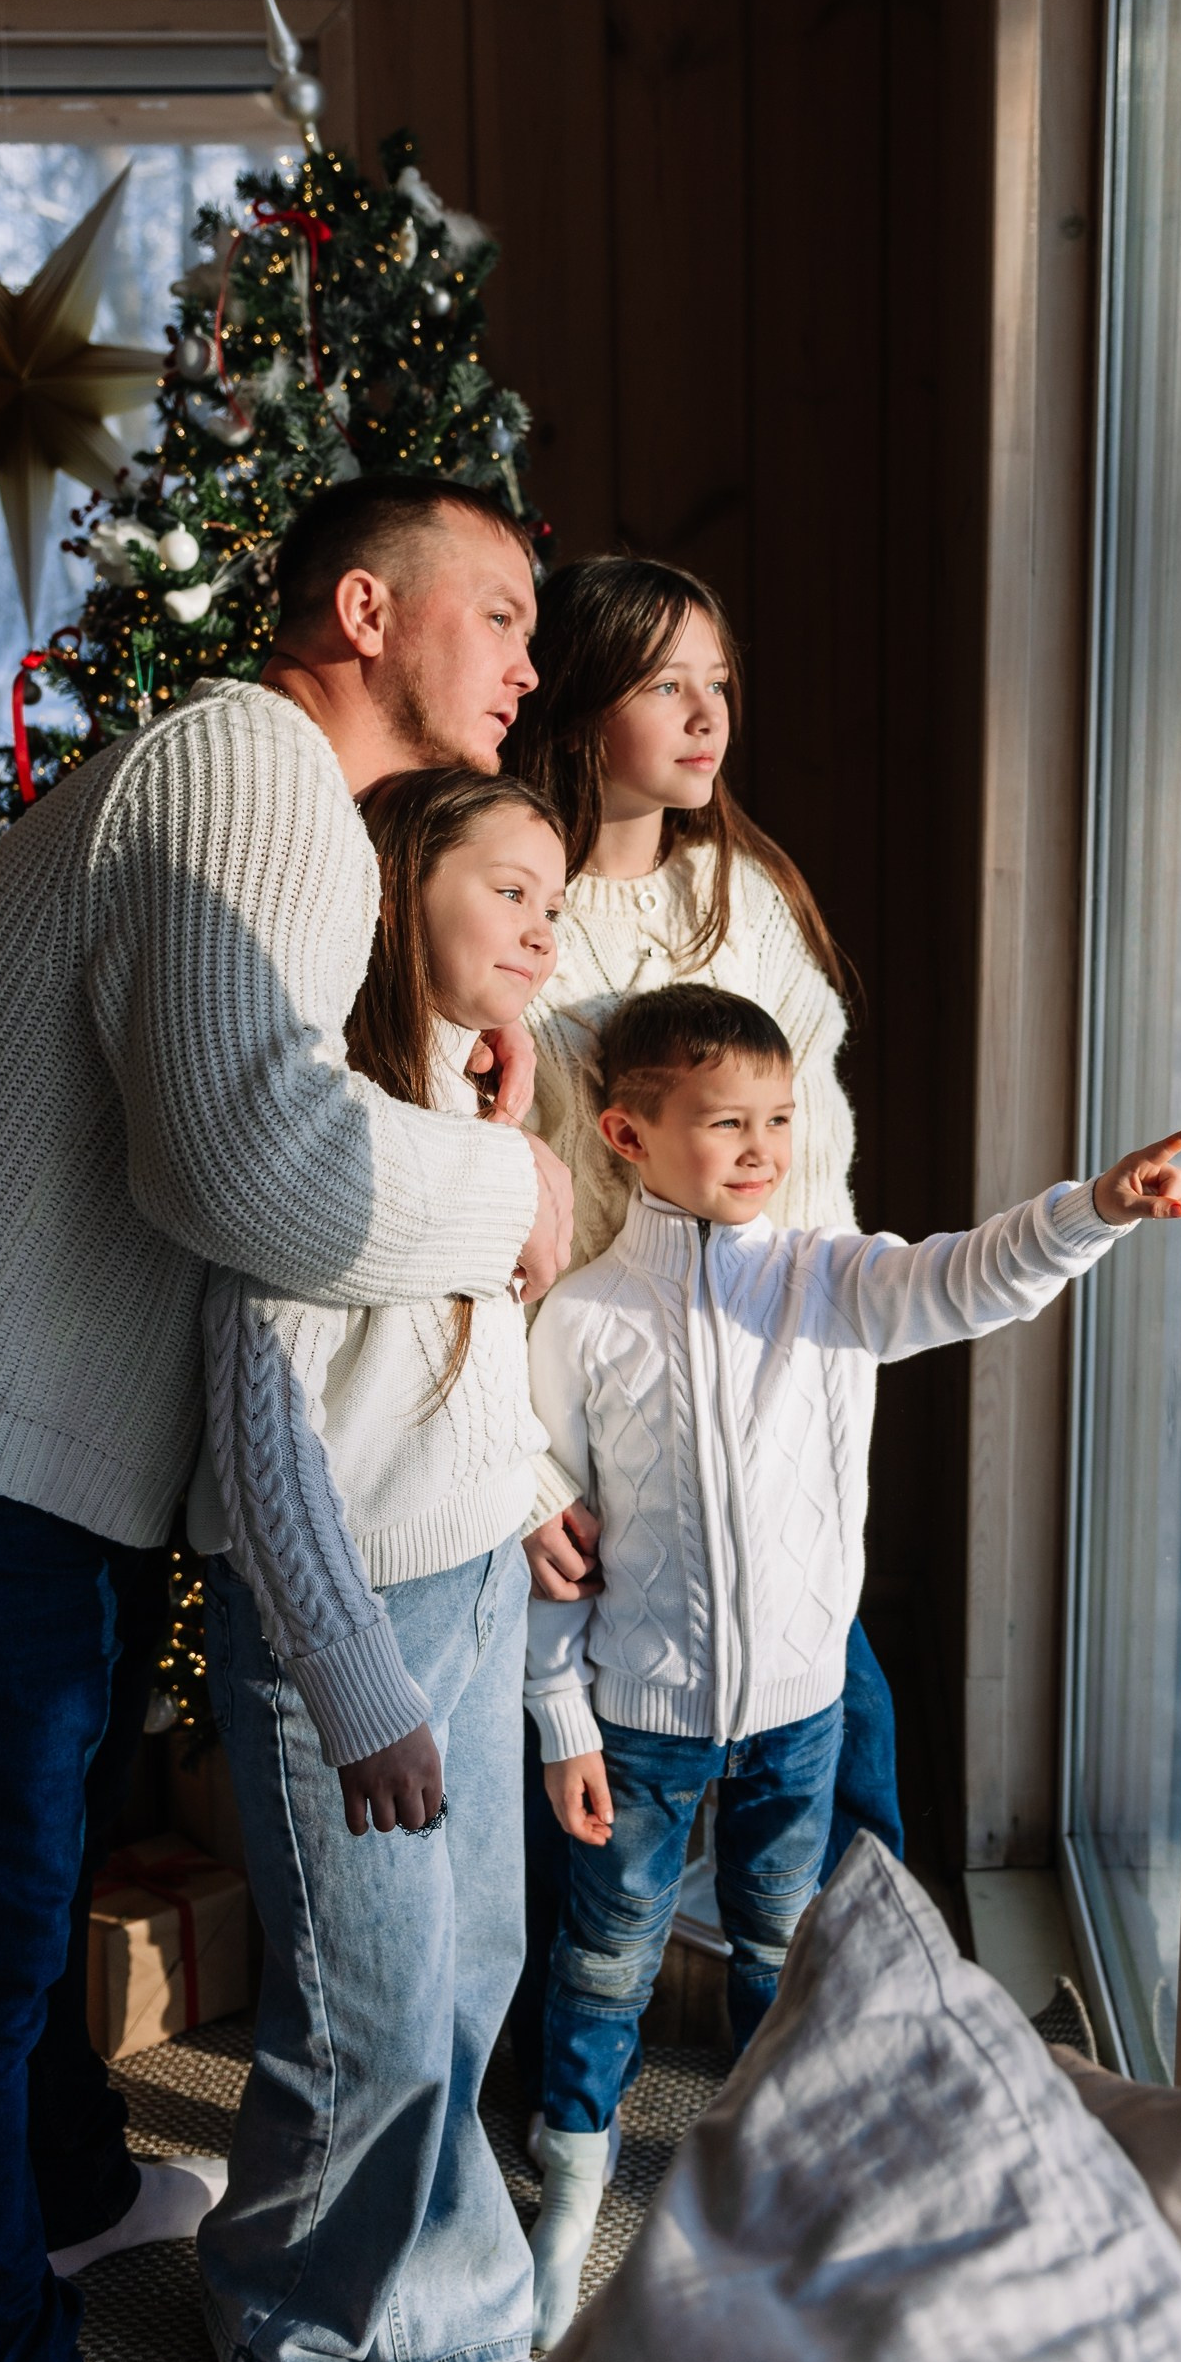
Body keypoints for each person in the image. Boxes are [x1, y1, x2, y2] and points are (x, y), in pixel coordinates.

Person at [0, 472, 572, 2362]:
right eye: (500, 614)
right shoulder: (249, 766)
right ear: (364, 610)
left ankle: (61, 2192)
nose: (527, 662)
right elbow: (255, 1161)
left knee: (26, 1872)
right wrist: (513, 1191)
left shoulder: (280, 800)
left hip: (19, 1432)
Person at [520, 982, 1181, 2346]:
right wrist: (560, 1720)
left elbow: (967, 1274)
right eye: (725, 1121)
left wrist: (1094, 1211)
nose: (761, 1147)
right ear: (627, 1134)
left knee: (784, 1949)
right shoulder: (583, 1319)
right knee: (606, 1958)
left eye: (778, 1119)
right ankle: (568, 2190)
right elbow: (556, 1550)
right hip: (637, 1719)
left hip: (799, 1714)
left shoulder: (826, 1281)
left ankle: (769, 2178)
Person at [192, 768, 573, 2362]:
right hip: (336, 1614)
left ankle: (441, 2306)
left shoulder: (470, 1110)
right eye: (507, 890)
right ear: (400, 889)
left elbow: (458, 1370)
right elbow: (267, 1427)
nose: (541, 929)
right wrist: (353, 1683)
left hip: (473, 1575)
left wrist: (529, 1493)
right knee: (368, 2007)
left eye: (554, 901)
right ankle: (281, 2308)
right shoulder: (323, 1125)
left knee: (472, 1966)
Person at [506, 553, 899, 2125]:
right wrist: (529, 1467)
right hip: (608, 1417)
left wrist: (829, 1379)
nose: (705, 714)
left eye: (718, 683)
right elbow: (501, 1218)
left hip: (778, 1398)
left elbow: (820, 1161)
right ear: (579, 699)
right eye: (665, 682)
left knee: (840, 1742)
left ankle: (858, 2076)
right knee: (594, 1790)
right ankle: (558, 2106)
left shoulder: (743, 894)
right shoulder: (515, 900)